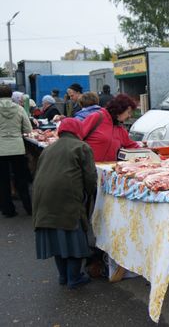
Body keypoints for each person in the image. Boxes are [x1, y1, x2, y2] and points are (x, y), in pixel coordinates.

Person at [33, 118, 97, 289]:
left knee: (56, 238)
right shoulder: (81, 147)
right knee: (73, 237)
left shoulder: (49, 148)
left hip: (42, 199)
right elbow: (90, 178)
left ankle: (63, 276)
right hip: (66, 198)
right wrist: (91, 193)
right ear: (78, 130)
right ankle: (74, 278)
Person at [0, 84, 33, 217]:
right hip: (17, 147)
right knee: (21, 179)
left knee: (3, 180)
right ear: (11, 95)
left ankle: (8, 209)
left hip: (1, 148)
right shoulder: (19, 109)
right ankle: (28, 207)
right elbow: (27, 129)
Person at [81, 94, 141, 162]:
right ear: (120, 109)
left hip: (108, 169)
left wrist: (149, 152)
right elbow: (77, 137)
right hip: (89, 167)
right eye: (128, 112)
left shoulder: (120, 128)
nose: (129, 116)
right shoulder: (97, 117)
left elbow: (132, 145)